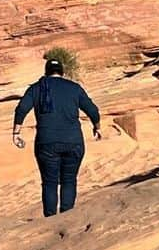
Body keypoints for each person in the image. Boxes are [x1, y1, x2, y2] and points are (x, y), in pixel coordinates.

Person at [12, 57, 101, 217]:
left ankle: (50, 220)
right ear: (62, 72)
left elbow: (21, 109)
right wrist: (97, 126)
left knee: (49, 182)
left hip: (46, 142)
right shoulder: (74, 88)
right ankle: (67, 218)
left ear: (46, 72)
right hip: (73, 142)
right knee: (69, 180)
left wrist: (16, 132)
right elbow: (92, 110)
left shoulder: (37, 88)